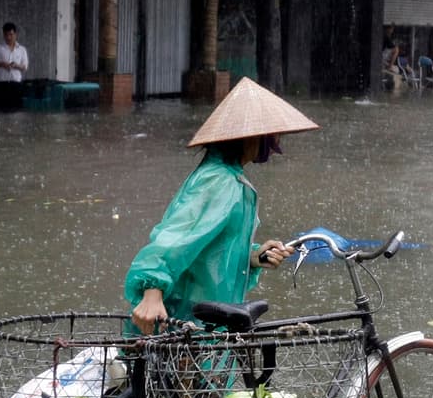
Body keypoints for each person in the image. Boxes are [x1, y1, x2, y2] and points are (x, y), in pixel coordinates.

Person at [125, 77, 319, 335]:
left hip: (206, 322)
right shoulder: (219, 182)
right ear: (251, 137)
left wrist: (252, 256)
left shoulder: (233, 180)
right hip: (184, 322)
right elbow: (176, 237)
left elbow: (214, 250)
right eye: (273, 135)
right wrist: (152, 291)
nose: (276, 145)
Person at [0, 22, 29, 110]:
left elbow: (25, 67)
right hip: (1, 85)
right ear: (3, 35)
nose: (8, 37)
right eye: (6, 35)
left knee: (16, 112)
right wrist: (2, 64)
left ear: (15, 34)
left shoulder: (22, 50)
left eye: (11, 34)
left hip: (16, 85)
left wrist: (16, 65)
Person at [381, 25, 403, 92]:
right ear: (388, 29)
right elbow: (392, 46)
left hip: (384, 58)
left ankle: (389, 66)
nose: (392, 30)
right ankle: (389, 66)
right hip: (381, 57)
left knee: (396, 70)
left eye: (392, 29)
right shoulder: (385, 36)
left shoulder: (387, 36)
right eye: (391, 28)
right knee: (396, 49)